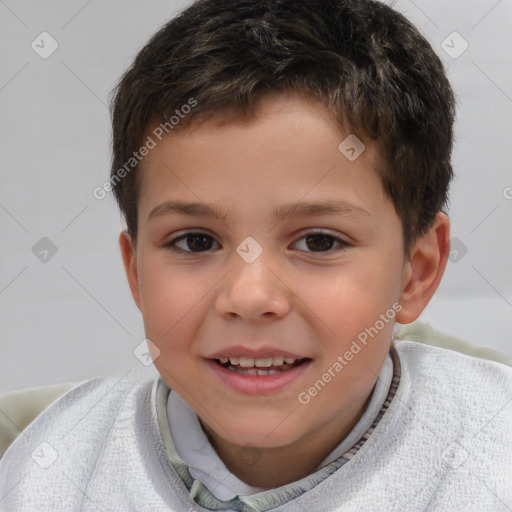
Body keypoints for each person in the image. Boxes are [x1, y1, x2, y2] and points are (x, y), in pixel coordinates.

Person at [1, 0, 511, 510]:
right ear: (136, 272)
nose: (249, 297)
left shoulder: (492, 460)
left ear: (415, 274)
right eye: (195, 241)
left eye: (319, 242)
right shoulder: (52, 468)